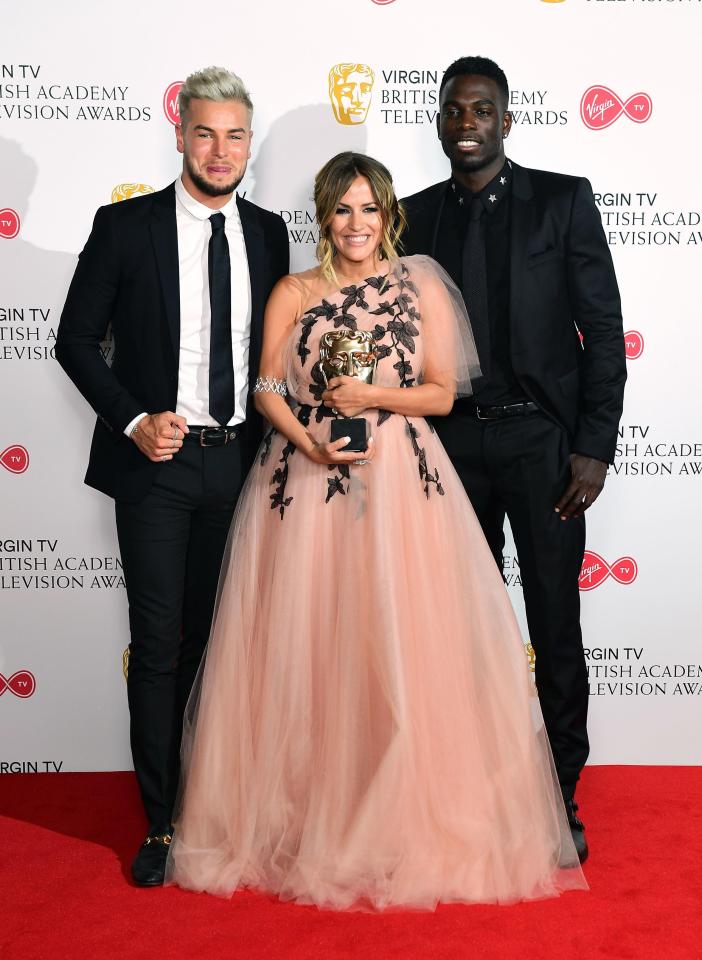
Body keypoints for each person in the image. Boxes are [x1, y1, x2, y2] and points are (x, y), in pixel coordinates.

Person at [165, 151, 587, 909]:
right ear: (323, 216)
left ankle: (401, 816)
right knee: (313, 648)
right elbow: (264, 387)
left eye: (369, 209)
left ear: (387, 215)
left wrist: (372, 392)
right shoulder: (293, 291)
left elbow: (440, 393)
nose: (356, 225)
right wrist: (306, 438)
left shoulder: (419, 281)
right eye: (342, 210)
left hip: (401, 485)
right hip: (302, 482)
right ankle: (307, 812)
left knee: (401, 646)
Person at [55, 66, 289, 886]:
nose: (219, 150)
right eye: (205, 132)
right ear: (179, 134)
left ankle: (216, 803)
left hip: (239, 465)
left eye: (234, 136)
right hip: (155, 467)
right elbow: (75, 341)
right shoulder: (125, 227)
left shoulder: (268, 233)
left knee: (219, 646)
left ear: (247, 145)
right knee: (157, 648)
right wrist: (134, 418)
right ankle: (163, 823)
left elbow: (274, 361)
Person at [401, 56, 627, 862]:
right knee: (455, 628)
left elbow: (601, 333)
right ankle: (466, 788)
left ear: (507, 119)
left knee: (555, 623)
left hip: (541, 444)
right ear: (437, 121)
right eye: (454, 110)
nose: (467, 124)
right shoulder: (412, 218)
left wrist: (593, 447)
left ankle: (558, 795)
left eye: (483, 110)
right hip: (449, 445)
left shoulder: (562, 202)